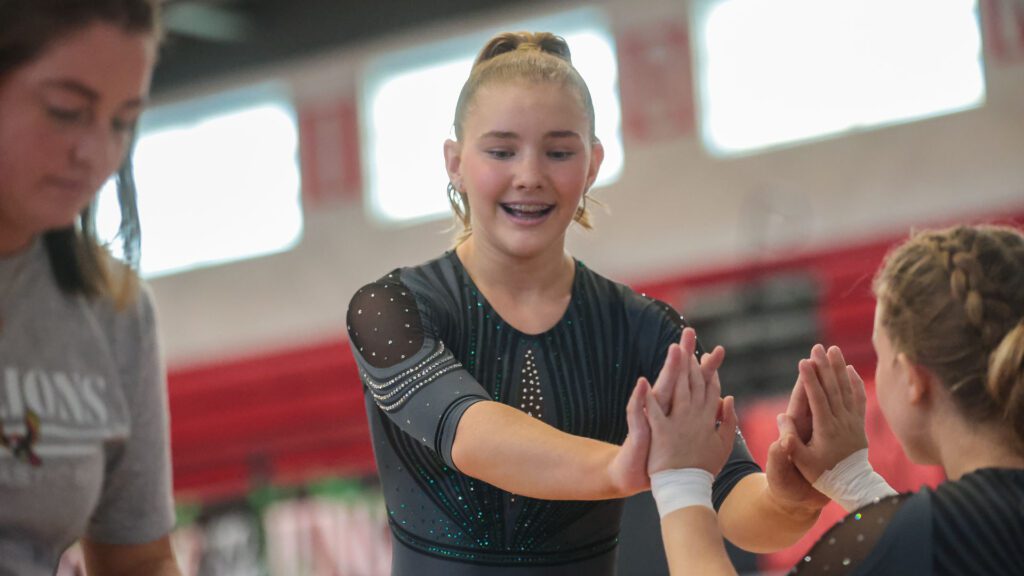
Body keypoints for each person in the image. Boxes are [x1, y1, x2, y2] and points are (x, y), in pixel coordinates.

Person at [346, 31, 827, 575]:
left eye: (558, 152)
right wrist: (624, 468)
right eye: (501, 151)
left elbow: (735, 502)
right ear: (454, 161)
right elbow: (472, 434)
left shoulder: (644, 329)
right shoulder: (392, 308)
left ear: (593, 163)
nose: (529, 175)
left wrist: (792, 496)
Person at [646, 224, 1024, 575]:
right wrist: (853, 480)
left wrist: (680, 482)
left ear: (912, 379)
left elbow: (928, 541)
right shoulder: (944, 530)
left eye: (881, 358)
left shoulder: (928, 531)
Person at [0, 1, 181, 575]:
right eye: (65, 111)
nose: (96, 153)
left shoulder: (113, 308)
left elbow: (140, 562)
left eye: (122, 121)